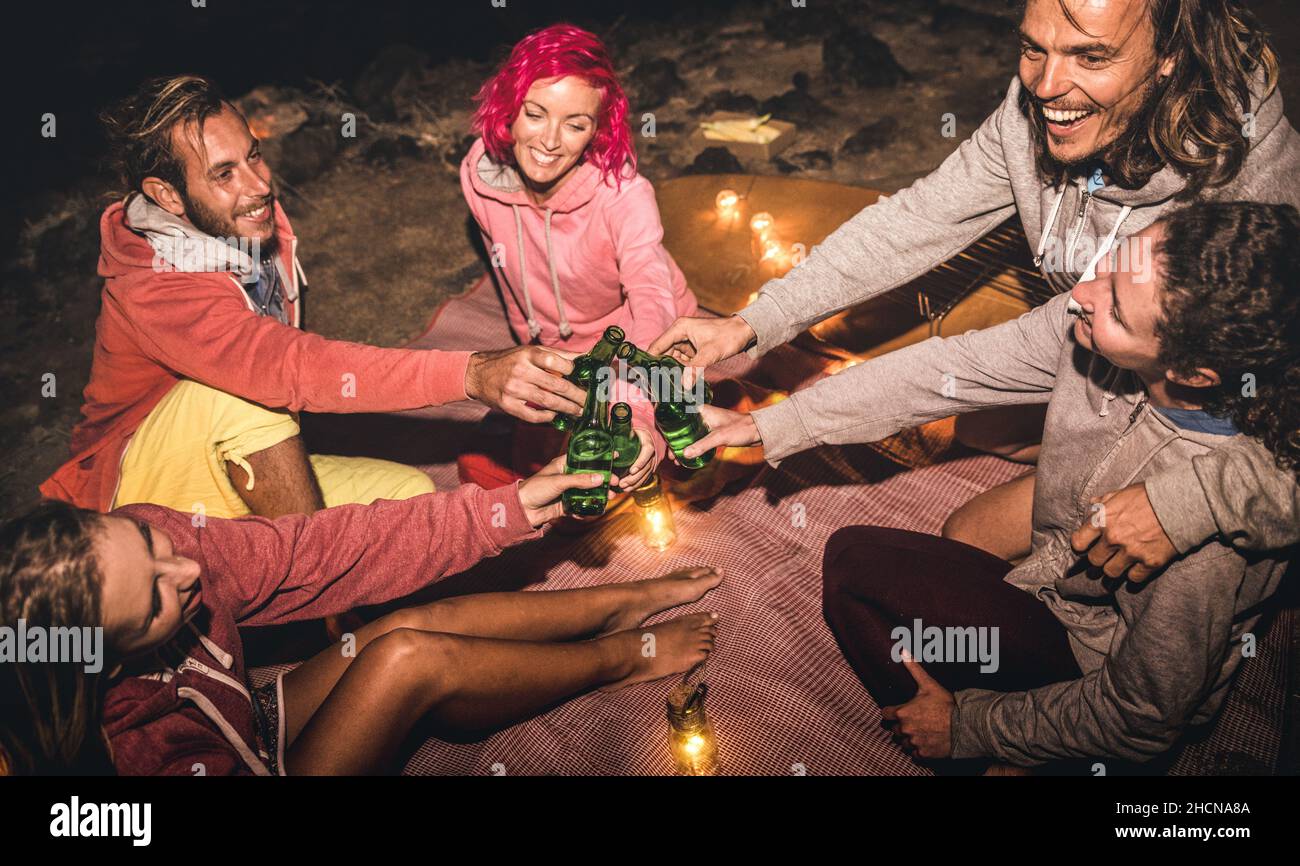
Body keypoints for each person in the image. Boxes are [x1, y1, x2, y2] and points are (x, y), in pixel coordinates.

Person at [651, 0, 1300, 577]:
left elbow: (982, 359)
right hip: (1097, 358)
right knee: (972, 443)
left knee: (989, 542)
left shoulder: (1256, 189)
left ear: (1169, 58)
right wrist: (749, 325)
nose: (1047, 86)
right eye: (1031, 47)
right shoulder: (1040, 108)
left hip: (1219, 433)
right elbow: (917, 220)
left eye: (1090, 55)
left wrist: (1191, 504)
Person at [688, 201, 1297, 769]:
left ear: (1193, 373)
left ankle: (1010, 746)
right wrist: (766, 424)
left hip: (1097, 664)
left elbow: (1146, 717)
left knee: (859, 566)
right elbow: (948, 370)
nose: (1080, 295)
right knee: (962, 534)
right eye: (1110, 266)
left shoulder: (1203, 551)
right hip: (1073, 543)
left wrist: (973, 726)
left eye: (1116, 307)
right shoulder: (1086, 325)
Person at [40, 74, 589, 522]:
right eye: (224, 173)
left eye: (254, 156)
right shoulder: (155, 288)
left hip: (232, 455)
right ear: (166, 196)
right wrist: (471, 374)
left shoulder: (246, 221)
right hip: (133, 492)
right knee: (245, 391)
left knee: (411, 497)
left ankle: (294, 576)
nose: (258, 185)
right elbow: (285, 363)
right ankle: (304, 594)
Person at [0, 457, 721, 775]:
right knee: (407, 659)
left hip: (252, 722)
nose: (185, 571)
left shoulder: (173, 547)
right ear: (105, 664)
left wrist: (512, 506)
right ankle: (625, 656)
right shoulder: (107, 753)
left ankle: (618, 600)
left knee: (384, 631)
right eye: (155, 598)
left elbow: (324, 549)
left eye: (149, 544)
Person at [459, 23, 699, 490]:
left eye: (575, 124)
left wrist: (638, 411)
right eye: (535, 114)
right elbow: (514, 274)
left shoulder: (624, 196)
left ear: (596, 131)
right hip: (559, 355)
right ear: (509, 109)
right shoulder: (479, 178)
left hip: (639, 341)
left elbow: (651, 296)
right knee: (514, 480)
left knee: (643, 464)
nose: (550, 141)